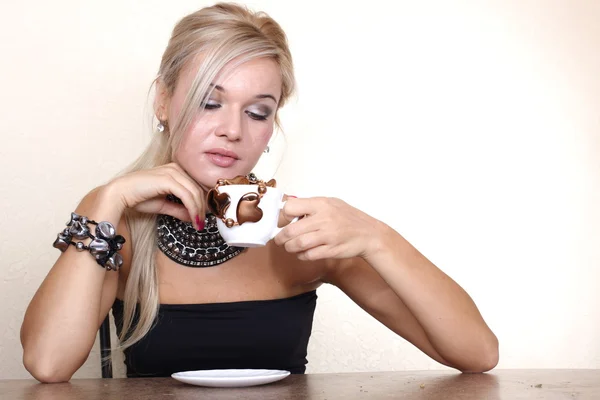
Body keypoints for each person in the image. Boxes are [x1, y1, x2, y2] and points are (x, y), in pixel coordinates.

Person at [20, 2, 499, 383]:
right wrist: (108, 200)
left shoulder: (303, 235)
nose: (232, 130)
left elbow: (476, 353)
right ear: (163, 101)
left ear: (273, 126)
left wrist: (377, 236)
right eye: (210, 102)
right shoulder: (112, 222)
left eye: (257, 111)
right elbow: (47, 363)